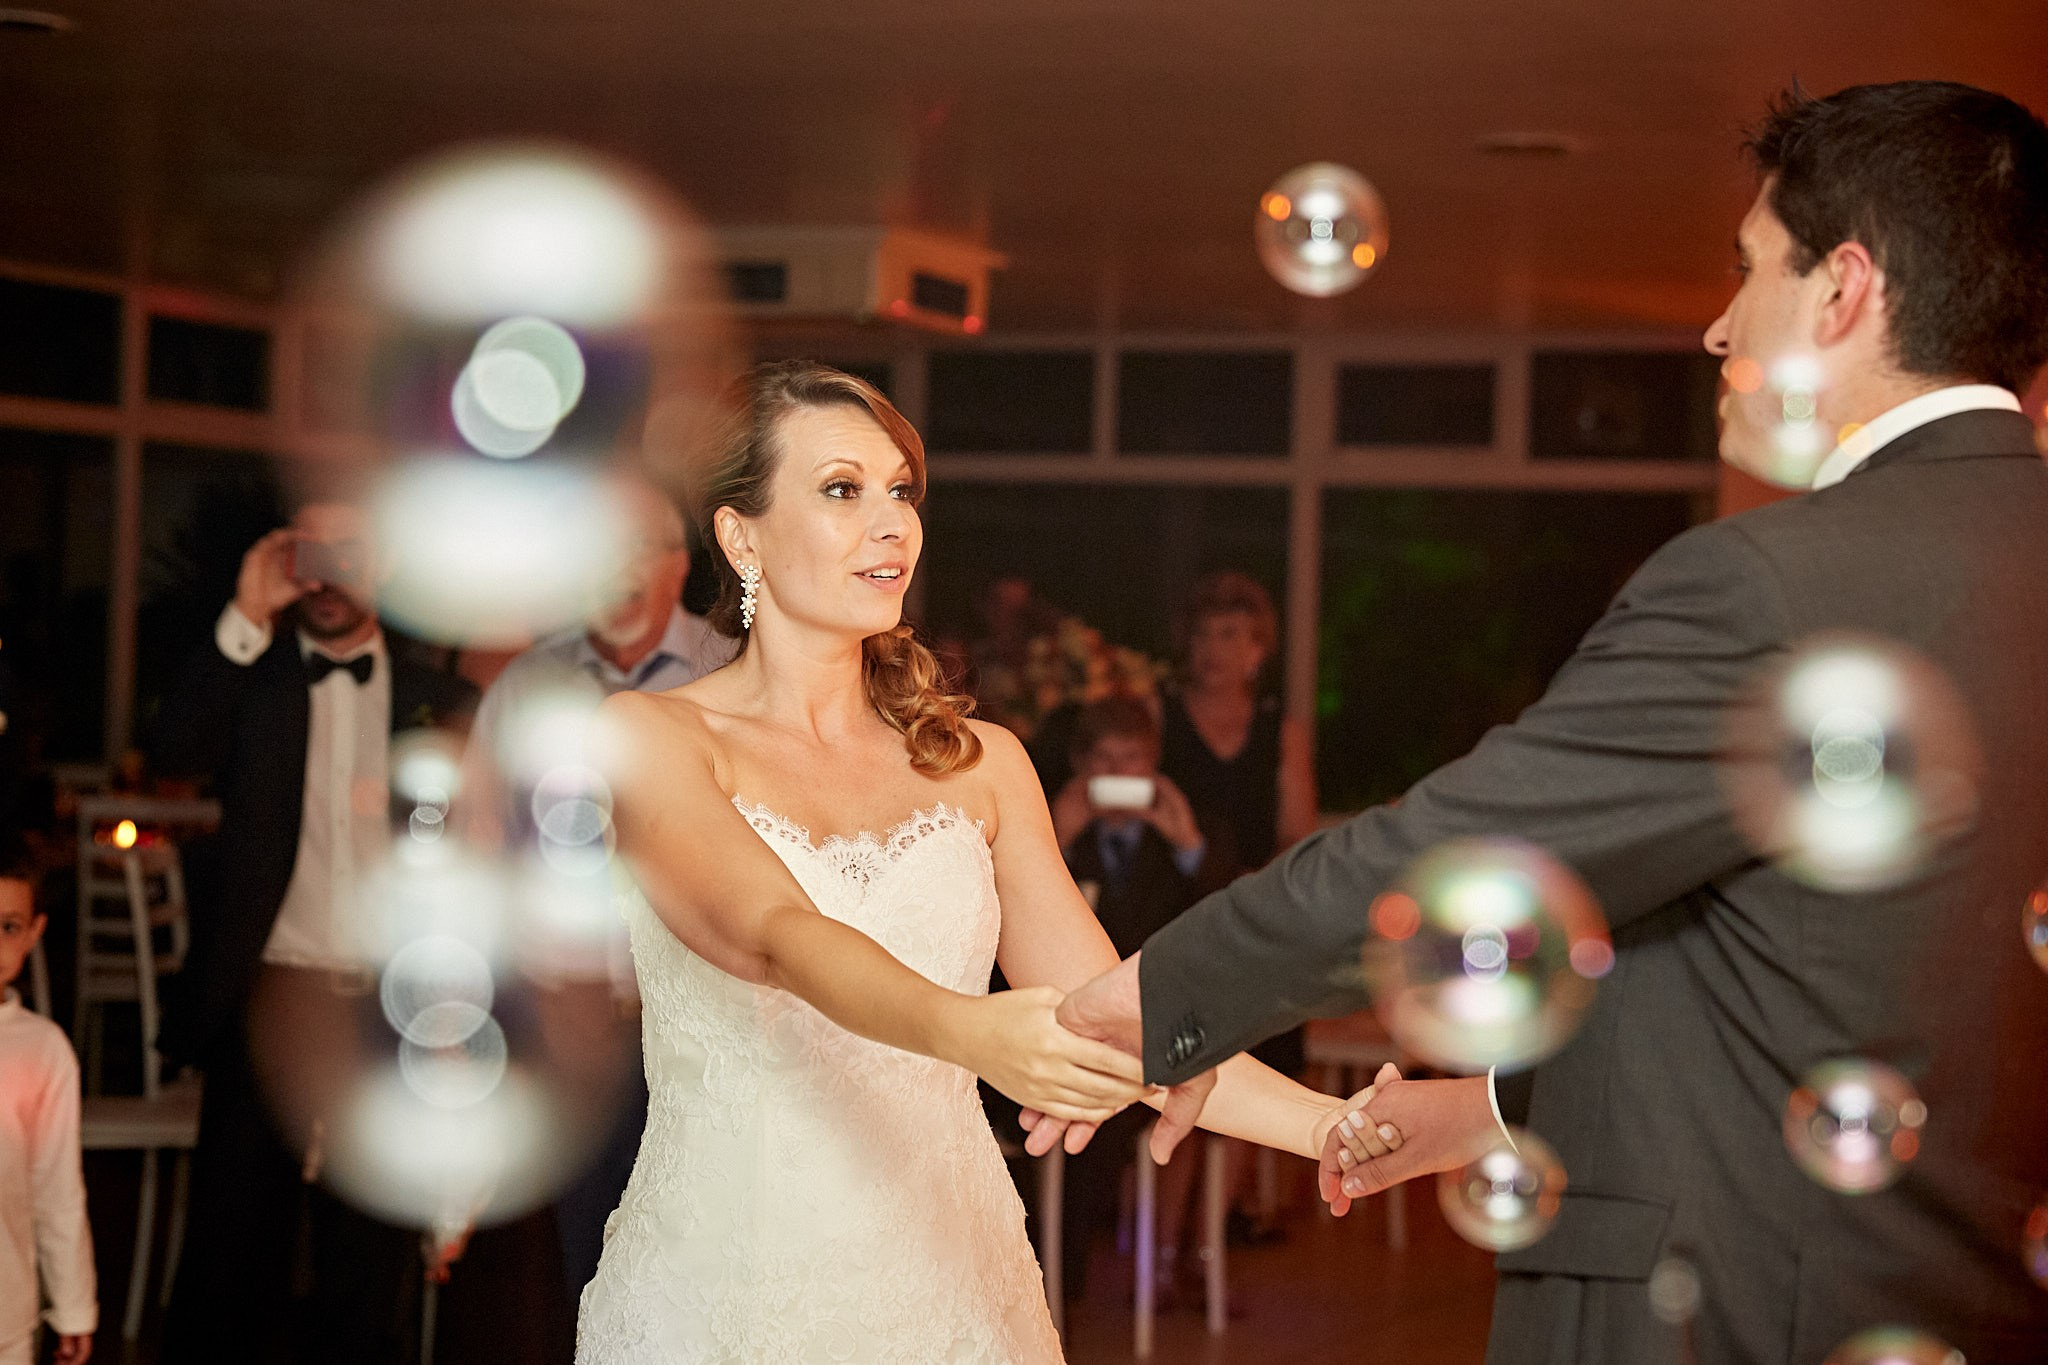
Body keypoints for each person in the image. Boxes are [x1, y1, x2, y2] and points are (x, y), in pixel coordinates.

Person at [1054, 81, 2048, 1364]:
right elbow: (1859, 964)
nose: (1713, 327)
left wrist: (1149, 1001)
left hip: (1735, 1305)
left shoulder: (1762, 584)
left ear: (1840, 291)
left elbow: (1466, 855)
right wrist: (1485, 1109)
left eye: (1746, 270)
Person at [573, 361, 1395, 1362]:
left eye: (900, 491)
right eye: (841, 490)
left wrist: (1333, 1128)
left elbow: (1105, 1010)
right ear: (740, 535)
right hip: (724, 1285)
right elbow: (774, 934)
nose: (892, 524)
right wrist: (978, 1036)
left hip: (953, 1286)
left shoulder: (982, 762)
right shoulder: (649, 737)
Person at [152, 501, 478, 1364]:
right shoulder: (250, 678)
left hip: (386, 1004)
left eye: (349, 549)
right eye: (311, 550)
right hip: (265, 995)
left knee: (368, 1262)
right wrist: (247, 611)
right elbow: (171, 749)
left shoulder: (441, 700)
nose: (328, 571)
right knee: (228, 1256)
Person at [459, 470, 733, 1298]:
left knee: (706, 1260)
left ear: (676, 564)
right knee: (588, 1263)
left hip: (704, 1018)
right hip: (570, 1015)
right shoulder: (524, 686)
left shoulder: (730, 672)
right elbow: (475, 846)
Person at [1159, 570, 1319, 1242]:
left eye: (1230, 635)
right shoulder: (1158, 714)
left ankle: (1212, 1239)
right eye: (1203, 635)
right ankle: (1162, 1247)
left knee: (1259, 1063)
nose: (1213, 649)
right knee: (1180, 1076)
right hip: (1174, 917)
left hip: (1252, 920)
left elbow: (1299, 833)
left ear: (1259, 648)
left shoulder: (1279, 729)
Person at [1049, 697, 1213, 1303]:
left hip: (1156, 1026)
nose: (1119, 772)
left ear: (1154, 768)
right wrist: (1058, 839)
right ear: (1081, 766)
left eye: (1134, 760)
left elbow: (1222, 920)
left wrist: (1187, 840)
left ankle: (1139, 1264)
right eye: (1105, 760)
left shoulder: (1179, 837)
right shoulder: (1053, 832)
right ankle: (1061, 1276)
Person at [0, 872, 94, 1365]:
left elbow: (56, 1187)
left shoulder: (44, 1050)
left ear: (34, 933)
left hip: (6, 1314)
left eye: (7, 926)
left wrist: (73, 1306)